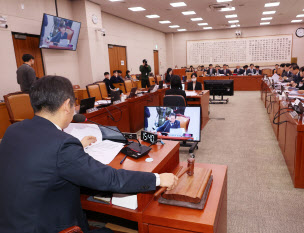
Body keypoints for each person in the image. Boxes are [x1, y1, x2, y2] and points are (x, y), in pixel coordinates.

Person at [0, 76, 178, 232]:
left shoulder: (13, 130)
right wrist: (158, 179)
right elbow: (111, 179)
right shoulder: (62, 146)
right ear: (66, 105)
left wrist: (76, 145)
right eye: (74, 103)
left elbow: (42, 154)